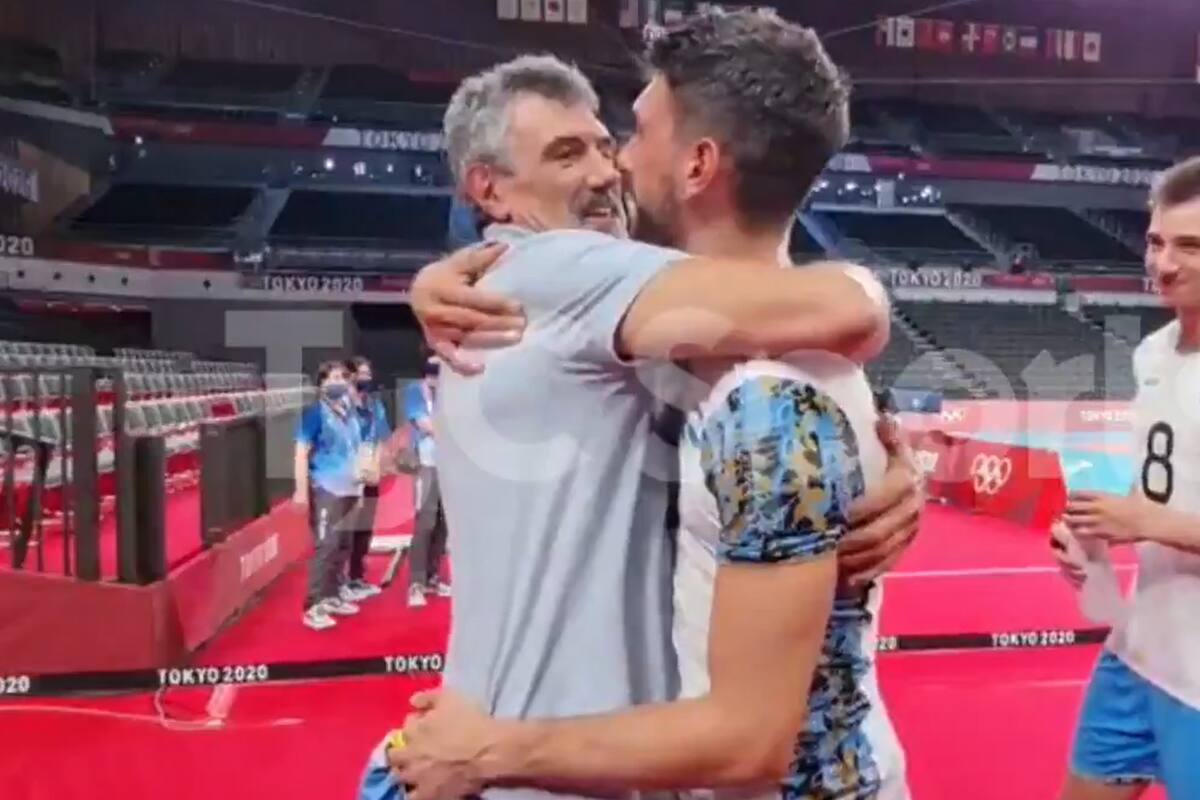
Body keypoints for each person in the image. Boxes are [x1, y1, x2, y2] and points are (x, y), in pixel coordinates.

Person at [358, 30, 916, 800]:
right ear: (490, 191)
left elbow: (792, 356)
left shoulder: (635, 325)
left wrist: (878, 460)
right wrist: (873, 302)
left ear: (699, 163)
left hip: (550, 752)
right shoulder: (560, 270)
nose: (607, 166)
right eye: (566, 155)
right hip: (533, 763)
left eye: (614, 139)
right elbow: (841, 306)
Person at [1050, 155, 1200, 799]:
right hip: (1138, 653)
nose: (1164, 264)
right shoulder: (1153, 353)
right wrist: (1100, 537)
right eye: (1156, 241)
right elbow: (1159, 491)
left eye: (1191, 246)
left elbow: (1156, 515)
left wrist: (1146, 521)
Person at [294, 360, 365, 631]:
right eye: (332, 378)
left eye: (342, 377)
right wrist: (301, 491)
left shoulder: (349, 413)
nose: (338, 382)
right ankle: (313, 606)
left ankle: (333, 595)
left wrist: (359, 488)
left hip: (350, 488)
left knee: (343, 545)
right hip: (326, 488)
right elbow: (301, 452)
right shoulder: (314, 414)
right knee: (327, 545)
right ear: (321, 384)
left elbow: (354, 451)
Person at [342, 356, 391, 602]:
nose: (366, 379)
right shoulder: (342, 404)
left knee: (364, 527)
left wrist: (377, 466)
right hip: (348, 473)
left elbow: (381, 436)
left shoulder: (375, 404)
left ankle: (357, 578)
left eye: (368, 374)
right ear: (350, 376)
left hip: (370, 468)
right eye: (361, 374)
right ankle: (340, 583)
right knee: (347, 528)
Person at [405, 357, 450, 608]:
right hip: (428, 464)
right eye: (432, 370)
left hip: (451, 467)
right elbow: (425, 424)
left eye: (440, 370)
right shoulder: (415, 391)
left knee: (444, 524)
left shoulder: (450, 392)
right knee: (425, 523)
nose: (436, 375)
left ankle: (433, 577)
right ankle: (416, 583)